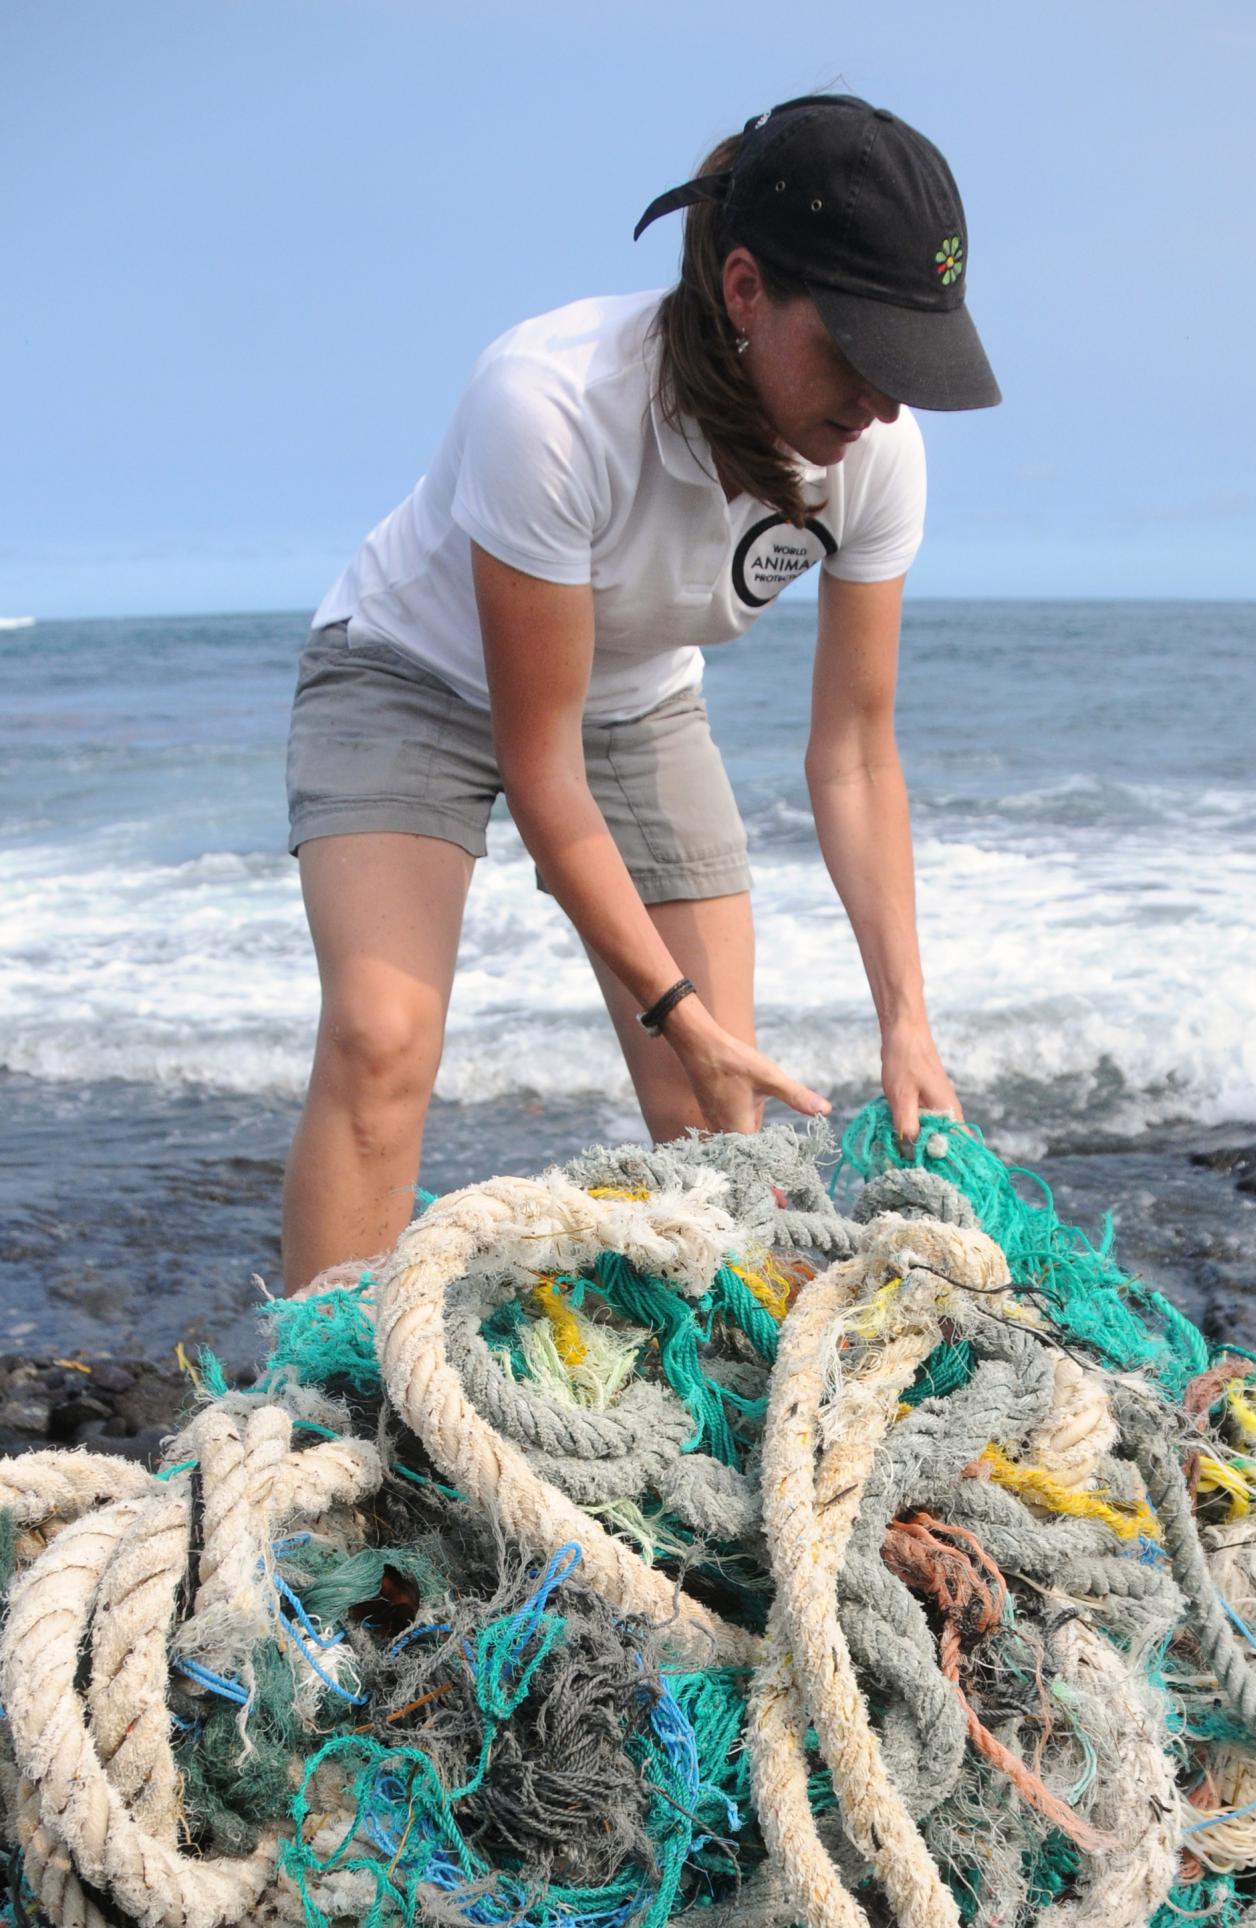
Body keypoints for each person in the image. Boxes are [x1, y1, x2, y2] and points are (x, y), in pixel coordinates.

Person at [279, 93, 1000, 1293]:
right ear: (743, 290)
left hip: (636, 702)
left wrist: (904, 1017)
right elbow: (539, 762)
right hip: (408, 676)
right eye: (859, 354)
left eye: (907, 368)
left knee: (718, 1100)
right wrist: (673, 1000)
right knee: (381, 1041)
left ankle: (716, 1408)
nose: (880, 404)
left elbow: (858, 754)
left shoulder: (877, 457)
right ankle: (308, 1413)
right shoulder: (550, 406)